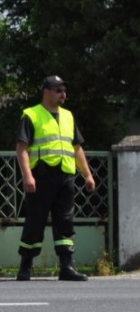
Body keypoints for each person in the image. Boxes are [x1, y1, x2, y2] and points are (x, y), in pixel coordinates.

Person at [15, 75, 96, 281]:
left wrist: (87, 174)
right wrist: (27, 176)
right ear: (46, 92)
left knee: (65, 222)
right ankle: (25, 266)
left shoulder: (68, 116)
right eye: (58, 90)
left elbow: (76, 148)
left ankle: (66, 267)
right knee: (35, 221)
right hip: (41, 177)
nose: (63, 94)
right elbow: (21, 148)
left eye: (64, 90)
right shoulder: (31, 115)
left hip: (65, 176)